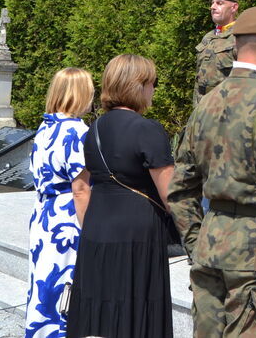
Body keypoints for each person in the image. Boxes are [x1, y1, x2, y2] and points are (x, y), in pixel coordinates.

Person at [169, 6, 256, 337]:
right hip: (255, 258)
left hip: (209, 250)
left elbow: (179, 189)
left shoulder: (206, 103)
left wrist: (196, 242)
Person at [66, 54, 175, 338]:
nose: (154, 90)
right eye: (152, 83)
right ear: (138, 85)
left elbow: (81, 187)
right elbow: (171, 196)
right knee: (136, 314)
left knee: (99, 315)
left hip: (97, 228)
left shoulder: (95, 129)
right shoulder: (147, 129)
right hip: (137, 235)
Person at [25, 68, 93, 338]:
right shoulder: (78, 131)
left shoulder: (46, 126)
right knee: (65, 288)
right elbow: (80, 188)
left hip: (44, 214)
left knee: (42, 285)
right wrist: (91, 230)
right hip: (67, 218)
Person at [193, 0, 239, 106]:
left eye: (219, 3)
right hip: (203, 110)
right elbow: (198, 83)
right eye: (212, 4)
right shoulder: (208, 38)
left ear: (234, 7)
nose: (213, 7)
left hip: (226, 111)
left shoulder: (240, 37)